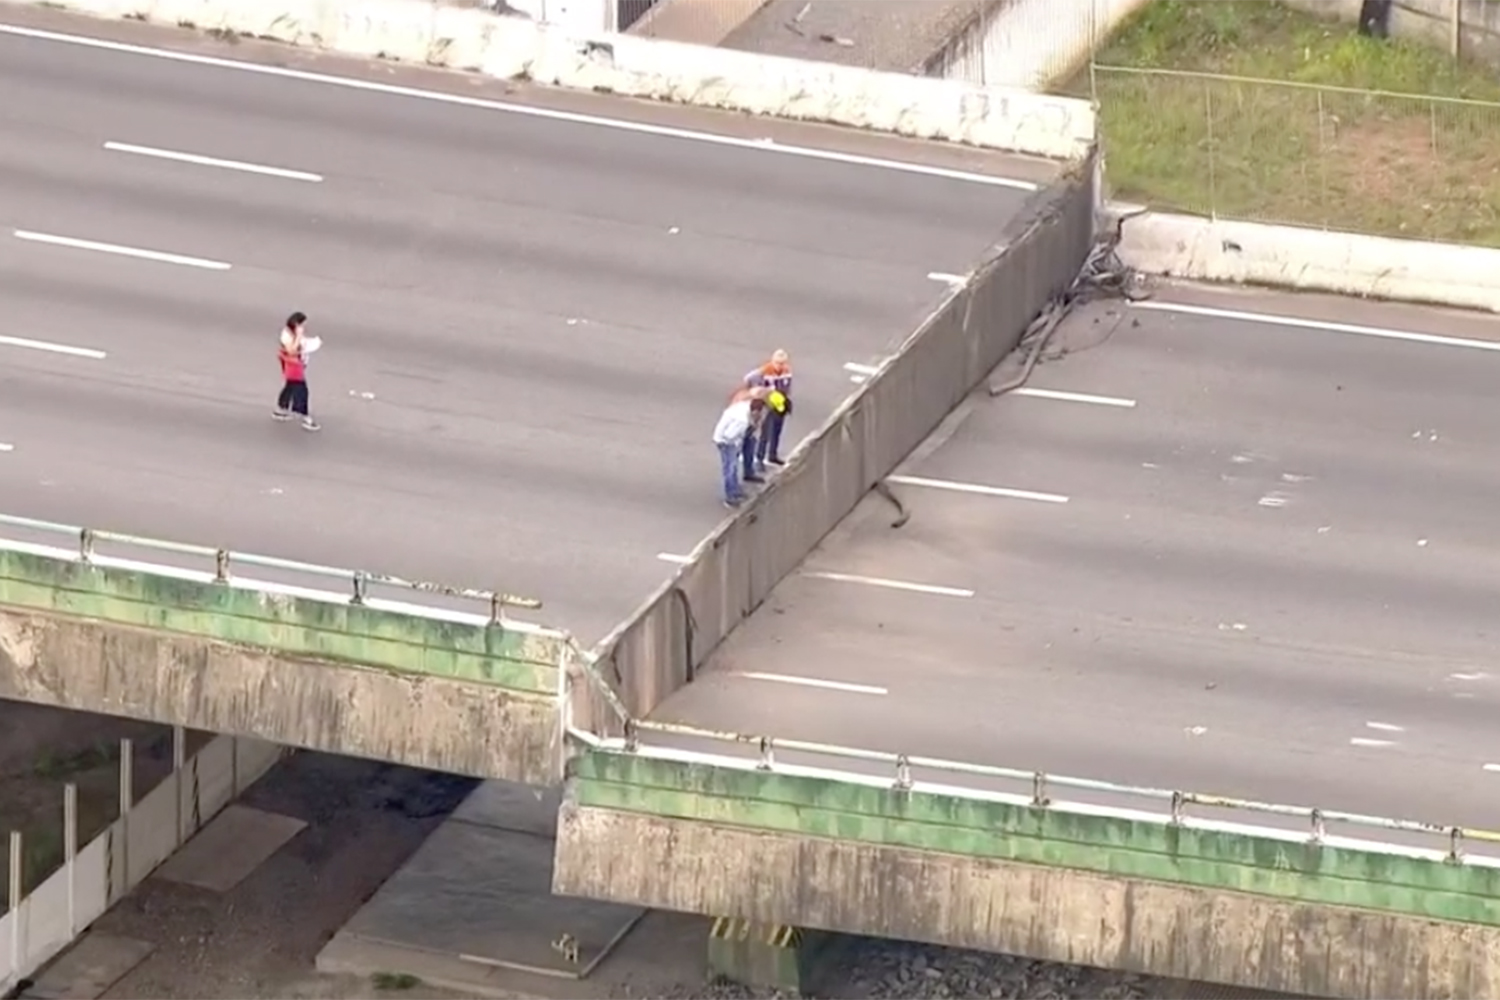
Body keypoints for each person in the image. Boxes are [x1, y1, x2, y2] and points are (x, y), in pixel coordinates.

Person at [713, 390, 787, 508]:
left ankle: (737, 487)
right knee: (730, 466)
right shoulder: (742, 419)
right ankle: (730, 496)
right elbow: (729, 436)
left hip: (738, 433)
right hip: (727, 441)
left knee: (746, 452)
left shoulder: (756, 405)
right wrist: (738, 444)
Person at [744, 349, 793, 471]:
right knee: (765, 432)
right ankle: (760, 458)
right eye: (778, 363)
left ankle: (772, 455)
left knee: (777, 430)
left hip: (779, 403)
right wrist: (758, 393)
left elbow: (787, 385)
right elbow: (748, 379)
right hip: (768, 404)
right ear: (773, 361)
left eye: (782, 363)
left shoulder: (787, 371)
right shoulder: (765, 371)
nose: (780, 365)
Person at [273, 311, 319, 432]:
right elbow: (292, 350)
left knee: (290, 386)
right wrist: (299, 336)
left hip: (295, 364)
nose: (304, 327)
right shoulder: (286, 335)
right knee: (301, 390)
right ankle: (305, 417)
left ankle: (281, 408)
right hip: (293, 366)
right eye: (302, 325)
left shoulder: (292, 333)